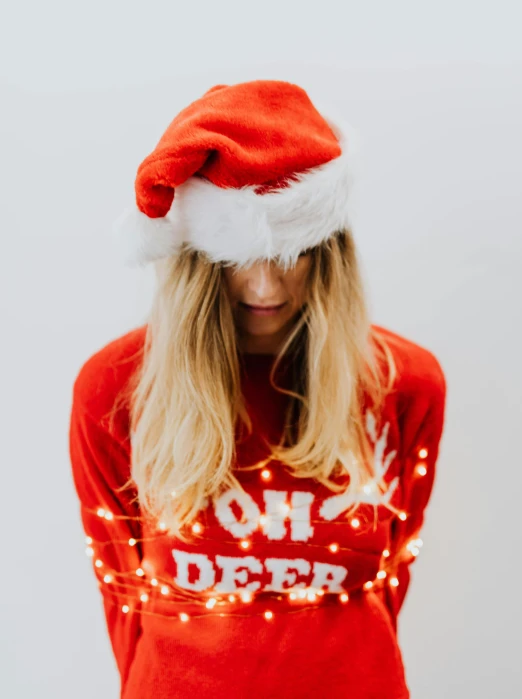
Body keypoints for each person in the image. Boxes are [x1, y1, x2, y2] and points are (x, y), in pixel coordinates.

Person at [68, 79, 447, 699]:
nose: (266, 288)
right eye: (236, 258)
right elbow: (121, 588)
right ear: (194, 261)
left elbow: (391, 575)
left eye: (293, 254)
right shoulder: (115, 389)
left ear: (330, 255)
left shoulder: (403, 384)